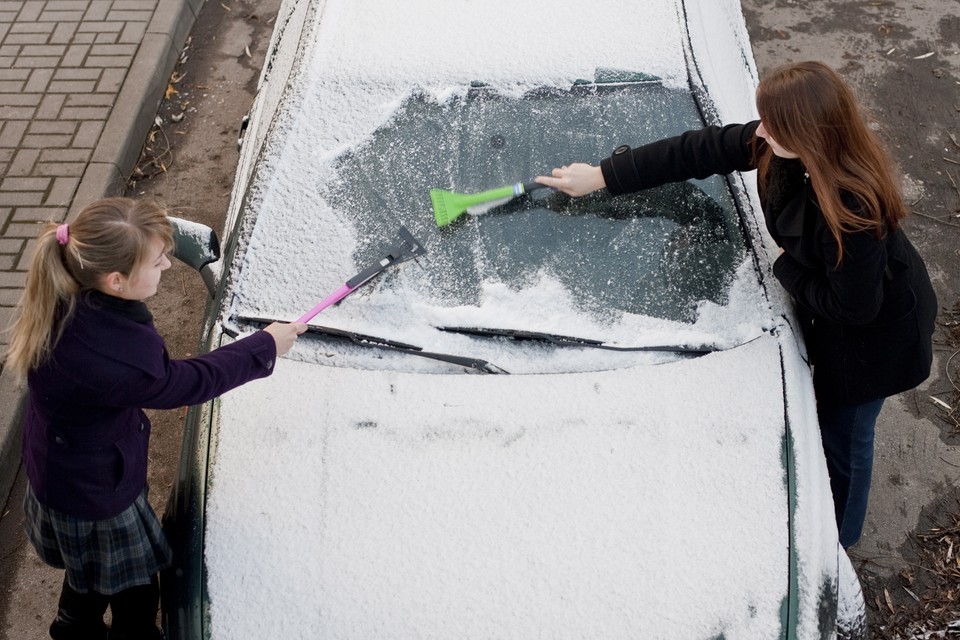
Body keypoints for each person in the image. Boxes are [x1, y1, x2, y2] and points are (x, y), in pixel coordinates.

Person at [535, 61, 937, 549]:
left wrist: (784, 266)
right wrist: (602, 176)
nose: (760, 131)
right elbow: (695, 151)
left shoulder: (852, 209)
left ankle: (840, 540)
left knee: (845, 437)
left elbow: (854, 307)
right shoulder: (778, 147)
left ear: (808, 135)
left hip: (875, 342)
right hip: (843, 304)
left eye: (772, 123)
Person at [3, 198, 307, 639]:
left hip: (66, 473)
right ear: (117, 281)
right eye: (158, 259)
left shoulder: (69, 291)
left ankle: (72, 627)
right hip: (96, 497)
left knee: (89, 572)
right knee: (137, 588)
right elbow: (185, 383)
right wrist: (264, 345)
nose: (167, 264)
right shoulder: (111, 355)